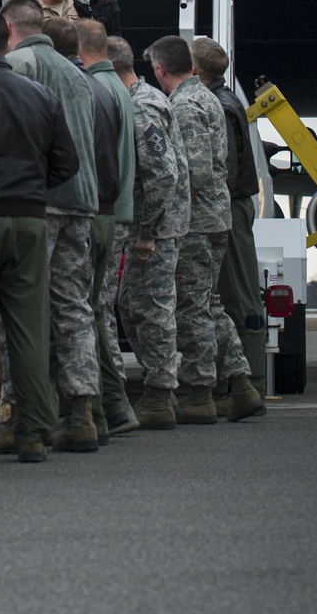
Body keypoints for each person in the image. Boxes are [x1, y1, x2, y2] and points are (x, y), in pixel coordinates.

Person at [0, 11, 78, 464]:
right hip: (30, 218)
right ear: (8, 41)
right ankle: (33, 431)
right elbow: (67, 164)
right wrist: (31, 188)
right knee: (29, 329)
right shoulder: (41, 95)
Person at [0, 0, 100, 454]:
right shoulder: (76, 73)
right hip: (81, 202)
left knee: (20, 310)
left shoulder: (19, 64)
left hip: (38, 202)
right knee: (73, 307)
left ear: (9, 27)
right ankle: (81, 413)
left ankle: (23, 414)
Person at [145, 36, 263, 425]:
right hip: (213, 217)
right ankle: (241, 384)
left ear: (161, 69)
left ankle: (200, 394)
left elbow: (191, 170)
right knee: (208, 303)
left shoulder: (185, 105)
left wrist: (162, 214)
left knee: (192, 307)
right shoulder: (209, 97)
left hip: (195, 221)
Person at [108, 35, 190, 431]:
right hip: (152, 225)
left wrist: (147, 232)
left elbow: (162, 174)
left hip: (155, 230)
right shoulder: (140, 100)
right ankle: (163, 387)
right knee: (131, 304)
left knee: (152, 310)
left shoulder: (141, 107)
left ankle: (159, 395)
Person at [74, 18, 138, 437]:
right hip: (117, 212)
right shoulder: (120, 90)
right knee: (97, 309)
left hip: (101, 211)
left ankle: (109, 404)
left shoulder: (95, 90)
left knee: (92, 310)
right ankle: (112, 405)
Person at [191, 37, 265, 399]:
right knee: (235, 292)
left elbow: (225, 169)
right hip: (235, 204)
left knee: (237, 295)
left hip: (230, 206)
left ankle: (246, 384)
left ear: (194, 70)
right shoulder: (227, 99)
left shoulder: (218, 106)